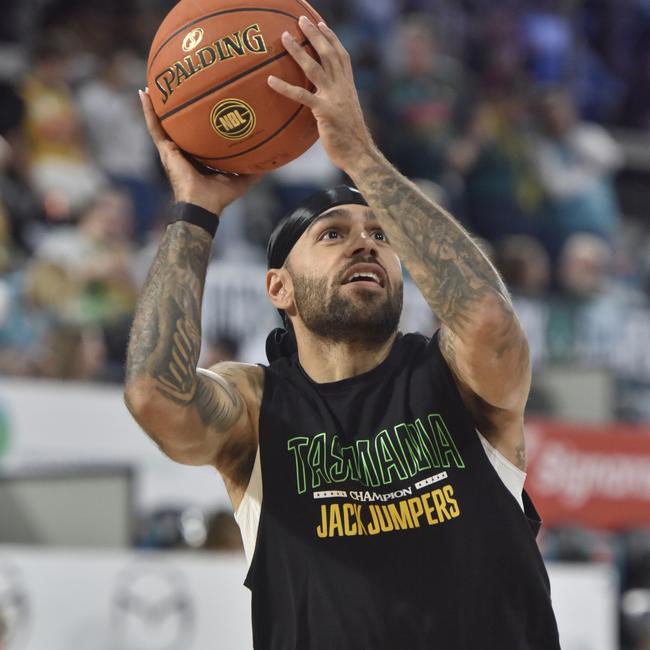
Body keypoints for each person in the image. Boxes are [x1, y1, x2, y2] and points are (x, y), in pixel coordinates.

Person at [125, 16, 560, 649]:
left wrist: (359, 151)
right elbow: (154, 398)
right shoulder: (256, 406)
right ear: (279, 287)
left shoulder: (455, 378)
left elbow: (488, 321)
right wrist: (195, 210)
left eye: (380, 235)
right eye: (333, 234)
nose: (366, 242)